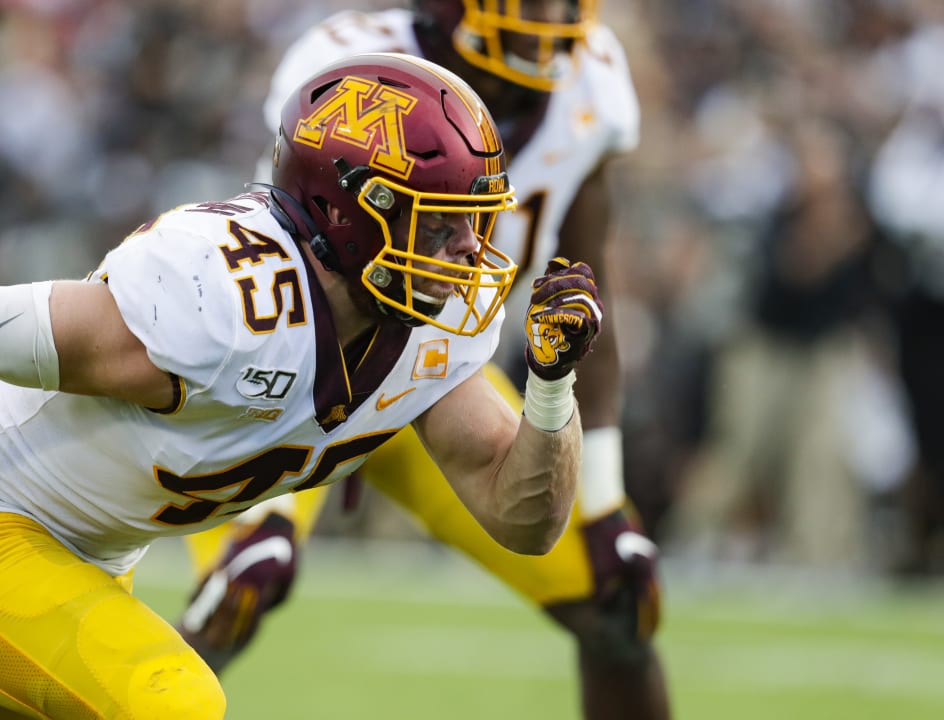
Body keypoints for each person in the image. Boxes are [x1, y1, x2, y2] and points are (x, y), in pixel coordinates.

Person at [0, 52, 603, 720]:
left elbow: (519, 517)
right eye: (442, 223)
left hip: (76, 561)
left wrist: (552, 387)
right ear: (350, 211)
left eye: (473, 225)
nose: (467, 254)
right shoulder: (222, 301)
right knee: (173, 699)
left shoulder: (428, 329)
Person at [176, 3, 671, 718]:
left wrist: (604, 504)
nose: (550, 16)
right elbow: (277, 251)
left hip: (443, 376)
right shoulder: (350, 70)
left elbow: (589, 298)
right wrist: (271, 517)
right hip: (312, 367)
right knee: (245, 584)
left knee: (618, 601)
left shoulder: (592, 90)